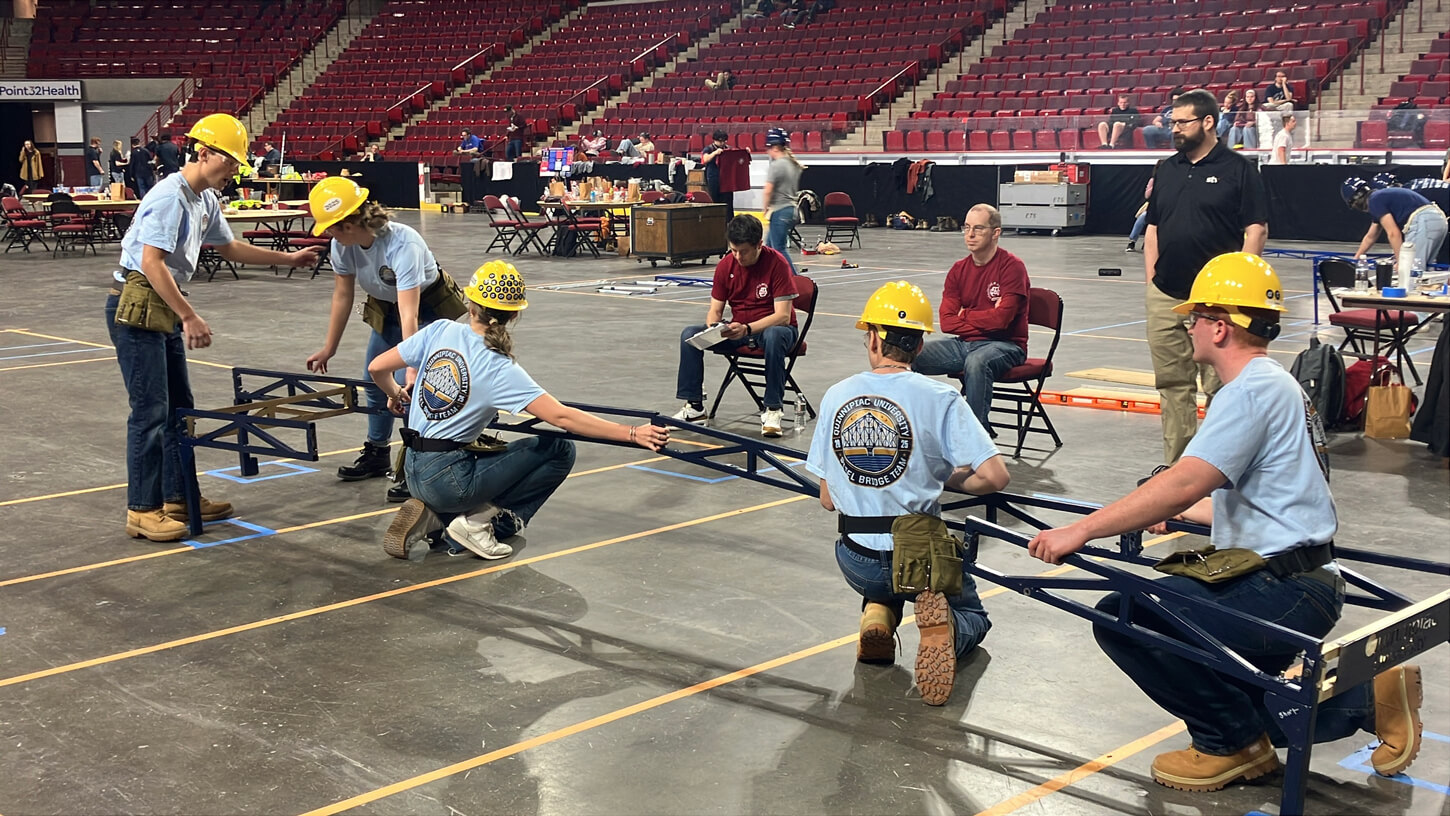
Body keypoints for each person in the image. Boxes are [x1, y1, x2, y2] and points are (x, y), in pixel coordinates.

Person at [1027, 252, 1423, 792]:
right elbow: (1252, 501)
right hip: (1299, 573)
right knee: (1243, 687)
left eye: (1195, 318)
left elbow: (1186, 480)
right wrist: (1180, 513)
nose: (1188, 326)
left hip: (1282, 583)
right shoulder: (1275, 385)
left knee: (1126, 616)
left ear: (1220, 326)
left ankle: (1230, 746)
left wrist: (1083, 528)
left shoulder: (1250, 392)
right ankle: (1368, 699)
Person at [105, 113, 320, 542]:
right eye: (231, 162)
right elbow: (151, 263)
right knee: (149, 412)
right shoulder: (170, 196)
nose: (235, 172)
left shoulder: (204, 199)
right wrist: (188, 315)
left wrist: (288, 259)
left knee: (178, 410)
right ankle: (142, 510)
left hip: (158, 305)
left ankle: (179, 496)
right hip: (138, 305)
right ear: (203, 153)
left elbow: (230, 246)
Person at [376, 261, 670, 560]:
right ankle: (476, 523)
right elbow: (561, 417)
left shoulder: (440, 330)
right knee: (559, 449)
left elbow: (377, 367)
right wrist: (632, 433)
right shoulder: (499, 366)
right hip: (448, 479)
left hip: (411, 470)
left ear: (470, 304)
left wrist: (394, 393)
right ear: (514, 314)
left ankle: (441, 518)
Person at [807, 280, 1009, 706]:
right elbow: (995, 476)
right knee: (973, 614)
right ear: (919, 346)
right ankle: (949, 630)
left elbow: (828, 498)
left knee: (883, 573)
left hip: (855, 559)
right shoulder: (941, 397)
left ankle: (877, 611)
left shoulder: (837, 395)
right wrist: (949, 479)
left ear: (876, 338)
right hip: (920, 558)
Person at [304, 176, 468, 503]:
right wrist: (329, 348)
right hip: (386, 306)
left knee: (420, 390)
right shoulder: (343, 245)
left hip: (426, 310)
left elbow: (410, 313)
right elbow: (342, 296)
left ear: (348, 224)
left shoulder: (402, 244)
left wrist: (411, 370)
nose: (327, 235)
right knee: (373, 378)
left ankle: (417, 466)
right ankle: (377, 452)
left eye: (331, 228)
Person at [1144, 88, 1268, 464]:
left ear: (1208, 122)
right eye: (1172, 122)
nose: (1174, 129)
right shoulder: (1166, 169)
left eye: (1182, 122)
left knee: (1221, 386)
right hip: (1167, 295)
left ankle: (1217, 469)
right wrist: (1152, 280)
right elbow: (1153, 229)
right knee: (1172, 385)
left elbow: (1256, 230)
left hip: (1217, 301)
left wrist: (1239, 289)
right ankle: (1177, 472)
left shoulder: (1239, 169)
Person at [671, 214, 798, 437]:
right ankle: (695, 408)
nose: (738, 256)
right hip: (738, 330)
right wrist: (715, 328)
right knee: (689, 335)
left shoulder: (777, 264)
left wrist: (748, 328)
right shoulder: (725, 265)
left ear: (759, 245)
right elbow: (715, 310)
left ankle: (773, 409)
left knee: (774, 335)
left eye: (744, 251)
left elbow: (783, 317)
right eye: (733, 250)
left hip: (773, 330)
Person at [911, 204, 1030, 429]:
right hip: (964, 344)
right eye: (966, 228)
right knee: (907, 356)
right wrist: (986, 317)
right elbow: (946, 322)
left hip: (1006, 346)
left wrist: (966, 315)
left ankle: (975, 434)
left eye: (978, 228)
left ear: (996, 233)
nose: (970, 235)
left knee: (977, 363)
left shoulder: (1012, 268)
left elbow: (1002, 322)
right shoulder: (958, 270)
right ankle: (916, 425)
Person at [1343, 176, 1448, 274]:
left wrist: (1401, 261)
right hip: (1438, 219)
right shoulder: (1380, 197)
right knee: (1424, 267)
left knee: (1410, 271)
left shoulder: (1374, 201)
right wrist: (1356, 258)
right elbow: (1371, 236)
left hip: (1424, 221)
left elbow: (1393, 233)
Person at [762, 127, 802, 274]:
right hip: (791, 209)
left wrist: (765, 208)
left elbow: (768, 190)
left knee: (778, 249)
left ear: (774, 147)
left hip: (780, 210)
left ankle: (795, 280)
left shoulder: (777, 165)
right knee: (769, 247)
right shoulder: (793, 164)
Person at [700, 130, 730, 207]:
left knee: (728, 200)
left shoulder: (727, 148)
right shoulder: (709, 148)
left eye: (724, 141)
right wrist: (715, 153)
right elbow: (705, 159)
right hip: (713, 177)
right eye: (720, 141)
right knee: (714, 198)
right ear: (715, 140)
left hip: (726, 178)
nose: (722, 143)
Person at [1126, 176, 1154, 252]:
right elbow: (1147, 195)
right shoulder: (1153, 180)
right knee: (1142, 217)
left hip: (1166, 207)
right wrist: (1156, 186)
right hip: (1152, 206)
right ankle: (1132, 241)